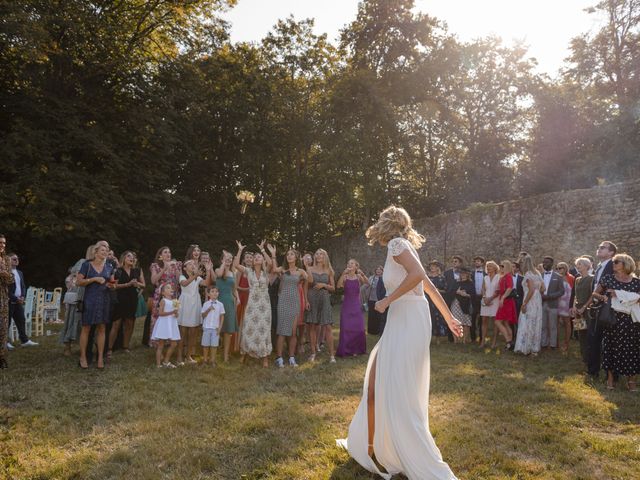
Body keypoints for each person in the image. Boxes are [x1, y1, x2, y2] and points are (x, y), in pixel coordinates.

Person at [337, 206, 461, 479]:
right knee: (378, 375)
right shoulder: (402, 245)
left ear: (386, 224)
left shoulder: (396, 244)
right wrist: (449, 317)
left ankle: (407, 450)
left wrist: (385, 301)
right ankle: (373, 442)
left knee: (397, 384)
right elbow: (426, 282)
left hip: (406, 316)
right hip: (408, 316)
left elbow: (419, 277)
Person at [589, 253, 640, 391]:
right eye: (613, 262)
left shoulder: (637, 282)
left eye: (616, 262)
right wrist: (604, 297)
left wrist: (620, 294)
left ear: (626, 264)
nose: (613, 264)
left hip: (631, 321)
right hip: (612, 319)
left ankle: (631, 381)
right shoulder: (608, 279)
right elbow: (594, 293)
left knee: (631, 349)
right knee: (611, 347)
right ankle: (610, 379)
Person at [76, 243, 116, 369]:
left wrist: (112, 286)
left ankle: (99, 358)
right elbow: (78, 282)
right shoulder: (86, 265)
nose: (105, 252)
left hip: (104, 300)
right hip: (90, 300)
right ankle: (82, 357)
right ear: (96, 252)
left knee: (102, 328)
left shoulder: (109, 267)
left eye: (107, 250)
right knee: (86, 328)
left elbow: (112, 283)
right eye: (102, 250)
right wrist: (93, 279)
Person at [233, 241, 273, 368]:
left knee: (264, 329)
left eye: (258, 257)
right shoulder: (248, 271)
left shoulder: (266, 271)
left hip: (264, 305)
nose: (256, 258)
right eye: (255, 257)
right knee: (248, 328)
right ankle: (244, 354)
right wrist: (239, 250)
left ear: (261, 260)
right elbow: (236, 264)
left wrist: (262, 250)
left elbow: (271, 262)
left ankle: (265, 357)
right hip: (252, 304)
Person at [272, 247, 308, 368]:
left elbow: (310, 279)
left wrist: (306, 266)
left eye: (292, 254)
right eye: (288, 254)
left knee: (293, 332)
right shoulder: (283, 270)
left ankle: (292, 357)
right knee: (282, 331)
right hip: (283, 301)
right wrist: (273, 255)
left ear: (296, 257)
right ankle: (279, 357)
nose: (289, 256)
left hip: (295, 302)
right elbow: (273, 269)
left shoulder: (300, 271)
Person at [587, 241, 616, 379]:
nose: (598, 249)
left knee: (609, 341)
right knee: (593, 338)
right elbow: (595, 287)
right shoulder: (599, 266)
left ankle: (611, 374)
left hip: (609, 308)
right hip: (596, 306)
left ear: (611, 253)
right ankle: (593, 371)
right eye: (598, 247)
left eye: (602, 248)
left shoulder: (615, 265)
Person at [108, 251, 145, 357]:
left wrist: (137, 284)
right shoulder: (118, 271)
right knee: (116, 324)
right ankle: (110, 348)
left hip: (132, 299)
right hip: (120, 299)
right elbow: (113, 286)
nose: (131, 258)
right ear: (123, 259)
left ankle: (125, 346)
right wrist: (127, 284)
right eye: (129, 256)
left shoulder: (137, 270)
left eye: (133, 257)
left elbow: (144, 285)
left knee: (130, 323)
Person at [177, 259, 212, 365]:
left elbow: (206, 283)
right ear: (184, 268)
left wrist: (209, 271)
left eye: (194, 264)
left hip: (195, 303)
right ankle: (179, 358)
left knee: (193, 332)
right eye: (190, 264)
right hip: (185, 304)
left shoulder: (197, 277)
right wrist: (196, 275)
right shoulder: (182, 276)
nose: (193, 265)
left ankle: (188, 357)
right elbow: (184, 284)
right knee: (183, 332)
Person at [60, 245, 94, 356]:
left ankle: (86, 346)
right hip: (79, 296)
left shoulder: (99, 265)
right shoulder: (82, 262)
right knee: (73, 320)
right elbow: (73, 279)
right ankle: (67, 346)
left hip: (90, 296)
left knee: (86, 323)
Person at [305, 248, 336, 362]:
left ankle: (332, 355)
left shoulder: (329, 271)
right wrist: (306, 301)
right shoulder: (310, 269)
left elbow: (333, 288)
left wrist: (324, 285)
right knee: (312, 326)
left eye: (321, 254)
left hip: (324, 299)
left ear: (325, 257)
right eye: (316, 254)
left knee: (327, 326)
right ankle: (313, 353)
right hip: (312, 298)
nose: (318, 256)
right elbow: (306, 285)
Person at [148, 247, 182, 345]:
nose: (168, 254)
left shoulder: (176, 265)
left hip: (174, 294)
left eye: (169, 252)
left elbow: (180, 279)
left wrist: (176, 268)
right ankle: (157, 341)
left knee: (173, 315)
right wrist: (164, 269)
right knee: (159, 315)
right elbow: (153, 281)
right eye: (165, 252)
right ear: (160, 256)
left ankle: (170, 339)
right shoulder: (155, 266)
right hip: (160, 295)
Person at [336, 259, 369, 357]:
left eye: (352, 263)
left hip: (356, 305)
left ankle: (358, 349)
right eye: (348, 263)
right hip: (346, 305)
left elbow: (367, 283)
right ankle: (346, 350)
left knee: (358, 328)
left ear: (356, 266)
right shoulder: (345, 277)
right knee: (346, 327)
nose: (349, 265)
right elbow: (338, 286)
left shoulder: (358, 277)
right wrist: (342, 274)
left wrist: (363, 274)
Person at [514, 255, 544, 356]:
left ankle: (525, 347)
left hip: (530, 299)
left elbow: (530, 290)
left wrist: (524, 303)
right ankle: (534, 348)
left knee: (527, 322)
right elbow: (543, 288)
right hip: (537, 300)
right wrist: (537, 293)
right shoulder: (538, 273)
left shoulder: (528, 274)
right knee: (535, 322)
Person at [8, 253, 38, 347]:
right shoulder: (6, 273)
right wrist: (15, 298)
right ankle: (5, 342)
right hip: (9, 301)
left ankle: (24, 341)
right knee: (6, 323)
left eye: (17, 258)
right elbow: (6, 290)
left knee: (21, 320)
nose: (16, 260)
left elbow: (23, 286)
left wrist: (22, 296)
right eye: (14, 259)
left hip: (18, 302)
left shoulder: (20, 273)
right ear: (8, 261)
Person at [215, 250, 239, 363]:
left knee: (228, 331)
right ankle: (213, 355)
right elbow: (219, 275)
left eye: (230, 258)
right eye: (226, 258)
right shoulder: (218, 270)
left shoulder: (233, 273)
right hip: (218, 301)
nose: (229, 260)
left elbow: (234, 289)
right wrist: (224, 262)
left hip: (229, 302)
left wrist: (237, 298)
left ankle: (225, 357)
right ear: (222, 260)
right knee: (216, 328)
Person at [571, 257, 593, 369]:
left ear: (586, 266)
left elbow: (592, 295)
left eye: (580, 264)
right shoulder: (577, 279)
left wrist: (584, 307)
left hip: (587, 310)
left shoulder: (591, 279)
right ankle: (584, 357)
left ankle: (590, 357)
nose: (578, 266)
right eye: (577, 264)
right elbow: (575, 294)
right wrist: (574, 307)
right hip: (578, 311)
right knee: (581, 333)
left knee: (589, 333)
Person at [151, 283, 181, 368]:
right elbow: (160, 313)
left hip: (172, 323)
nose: (171, 289)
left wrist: (176, 314)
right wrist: (172, 312)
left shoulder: (175, 301)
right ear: (163, 293)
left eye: (171, 288)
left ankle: (166, 361)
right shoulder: (163, 300)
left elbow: (177, 314)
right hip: (164, 323)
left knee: (174, 344)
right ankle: (158, 364)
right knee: (161, 344)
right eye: (168, 288)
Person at [540, 256, 565, 350]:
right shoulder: (540, 275)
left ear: (551, 264)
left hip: (553, 304)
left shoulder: (558, 277)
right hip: (542, 303)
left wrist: (550, 296)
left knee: (553, 325)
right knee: (543, 325)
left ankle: (553, 344)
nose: (544, 264)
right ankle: (544, 343)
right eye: (543, 262)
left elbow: (561, 291)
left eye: (546, 262)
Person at [494, 260, 516, 350]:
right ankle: (510, 344)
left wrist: (503, 298)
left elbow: (510, 288)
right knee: (506, 323)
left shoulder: (508, 276)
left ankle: (509, 341)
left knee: (497, 321)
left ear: (506, 267)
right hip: (504, 300)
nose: (501, 268)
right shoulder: (503, 276)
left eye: (502, 266)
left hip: (506, 301)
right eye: (500, 266)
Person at [234, 249, 253, 353]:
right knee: (241, 322)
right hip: (242, 298)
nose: (249, 259)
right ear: (244, 260)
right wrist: (248, 289)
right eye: (247, 258)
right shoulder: (240, 272)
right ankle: (238, 346)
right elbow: (236, 287)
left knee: (248, 323)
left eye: (251, 258)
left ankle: (248, 346)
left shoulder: (255, 272)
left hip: (251, 300)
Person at [0, 234, 14, 369]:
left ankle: (2, 357)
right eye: (0, 243)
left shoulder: (6, 260)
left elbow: (11, 279)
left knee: (3, 328)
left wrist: (3, 273)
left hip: (3, 298)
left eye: (4, 243)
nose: (2, 245)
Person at [201, 286, 224, 366]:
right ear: (208, 294)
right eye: (212, 291)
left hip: (215, 328)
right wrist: (208, 309)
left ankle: (212, 361)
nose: (214, 293)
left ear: (218, 294)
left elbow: (222, 317)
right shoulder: (206, 304)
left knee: (214, 345)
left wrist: (220, 328)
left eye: (216, 291)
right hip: (207, 328)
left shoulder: (220, 305)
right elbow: (203, 315)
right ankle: (205, 360)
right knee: (206, 345)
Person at [443, 255, 464, 343]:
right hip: (449, 296)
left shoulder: (464, 272)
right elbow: (445, 285)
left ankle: (463, 337)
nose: (454, 263)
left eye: (456, 261)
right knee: (449, 315)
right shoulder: (447, 273)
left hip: (461, 296)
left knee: (462, 315)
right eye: (453, 261)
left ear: (460, 263)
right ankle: (450, 338)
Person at [555, 261, 575, 353]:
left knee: (567, 323)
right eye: (557, 268)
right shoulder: (555, 277)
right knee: (556, 323)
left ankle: (566, 343)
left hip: (567, 302)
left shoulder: (570, 278)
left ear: (565, 268)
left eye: (561, 268)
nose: (559, 270)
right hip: (556, 302)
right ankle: (556, 343)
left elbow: (573, 292)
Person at [427, 261, 449, 342]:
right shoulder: (427, 278)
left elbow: (446, 290)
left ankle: (438, 338)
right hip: (428, 300)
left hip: (438, 301)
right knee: (429, 317)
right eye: (431, 266)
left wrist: (438, 290)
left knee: (438, 318)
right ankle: (429, 337)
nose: (432, 267)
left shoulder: (442, 278)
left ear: (437, 268)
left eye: (434, 266)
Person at [451, 267, 474, 343]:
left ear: (468, 275)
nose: (463, 275)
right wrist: (457, 292)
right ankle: (456, 340)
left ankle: (464, 340)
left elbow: (473, 295)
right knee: (454, 321)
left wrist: (466, 294)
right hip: (456, 303)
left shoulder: (470, 283)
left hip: (466, 305)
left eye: (464, 274)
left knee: (466, 322)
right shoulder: (456, 282)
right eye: (461, 274)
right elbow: (450, 292)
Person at [480, 261, 500, 348]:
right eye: (487, 266)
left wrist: (490, 298)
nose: (488, 268)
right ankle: (483, 341)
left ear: (495, 268)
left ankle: (494, 342)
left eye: (490, 266)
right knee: (484, 320)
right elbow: (483, 289)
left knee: (496, 322)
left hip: (495, 300)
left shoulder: (499, 277)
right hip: (485, 300)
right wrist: (485, 298)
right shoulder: (485, 277)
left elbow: (498, 291)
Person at [366, 266, 385, 335]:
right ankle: (371, 331)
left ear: (383, 271)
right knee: (371, 316)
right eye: (377, 269)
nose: (378, 271)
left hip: (380, 299)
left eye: (380, 270)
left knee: (379, 316)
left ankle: (378, 331)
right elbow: (367, 285)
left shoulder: (384, 278)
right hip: (371, 299)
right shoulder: (371, 278)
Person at [471, 256, 486, 343]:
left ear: (482, 263)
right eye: (475, 261)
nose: (477, 262)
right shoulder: (471, 274)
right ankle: (473, 338)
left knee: (482, 318)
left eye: (478, 261)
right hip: (473, 297)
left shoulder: (486, 274)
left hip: (482, 297)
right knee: (472, 317)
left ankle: (481, 337)